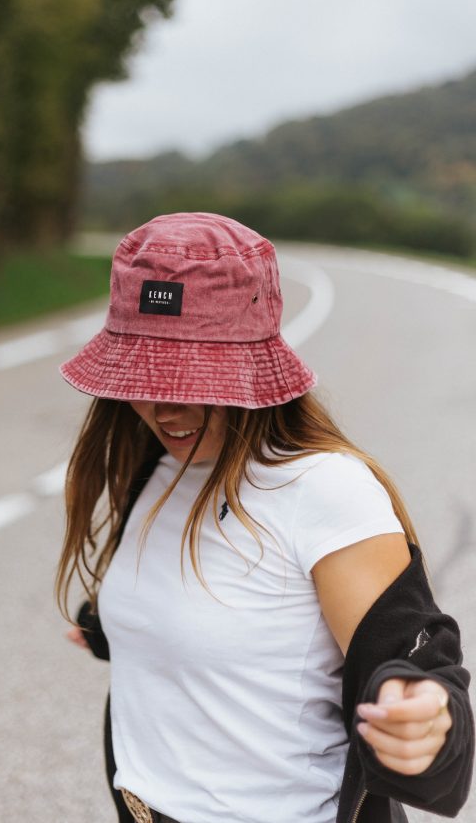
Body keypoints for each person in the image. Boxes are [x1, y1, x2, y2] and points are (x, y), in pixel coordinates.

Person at [55, 212, 473, 823]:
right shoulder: (156, 465)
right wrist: (114, 626)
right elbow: (227, 614)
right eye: (148, 377)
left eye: (195, 376)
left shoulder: (325, 487)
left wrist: (427, 722)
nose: (168, 407)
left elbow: (415, 662)